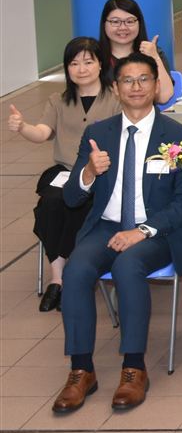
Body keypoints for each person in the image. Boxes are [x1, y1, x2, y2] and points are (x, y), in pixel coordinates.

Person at [51, 53, 182, 414]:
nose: (136, 87)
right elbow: (71, 198)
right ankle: (81, 369)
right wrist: (88, 172)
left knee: (127, 266)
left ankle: (134, 367)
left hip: (159, 230)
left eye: (144, 79)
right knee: (76, 269)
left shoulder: (179, 136)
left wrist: (143, 231)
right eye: (128, 80)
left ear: (156, 86)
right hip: (107, 225)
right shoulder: (98, 134)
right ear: (115, 88)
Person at [9, 37, 120, 312]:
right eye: (74, 63)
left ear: (100, 64)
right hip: (65, 170)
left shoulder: (116, 98)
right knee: (50, 204)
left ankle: (72, 274)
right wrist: (22, 127)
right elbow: (42, 133)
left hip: (103, 171)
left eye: (88, 62)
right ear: (67, 68)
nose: (81, 69)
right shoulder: (57, 100)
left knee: (79, 205)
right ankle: (57, 278)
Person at [97, 0, 175, 104]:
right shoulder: (94, 56)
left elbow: (164, 98)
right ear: (104, 24)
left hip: (144, 113)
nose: (123, 27)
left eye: (130, 21)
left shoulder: (152, 52)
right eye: (115, 22)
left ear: (139, 23)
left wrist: (154, 57)